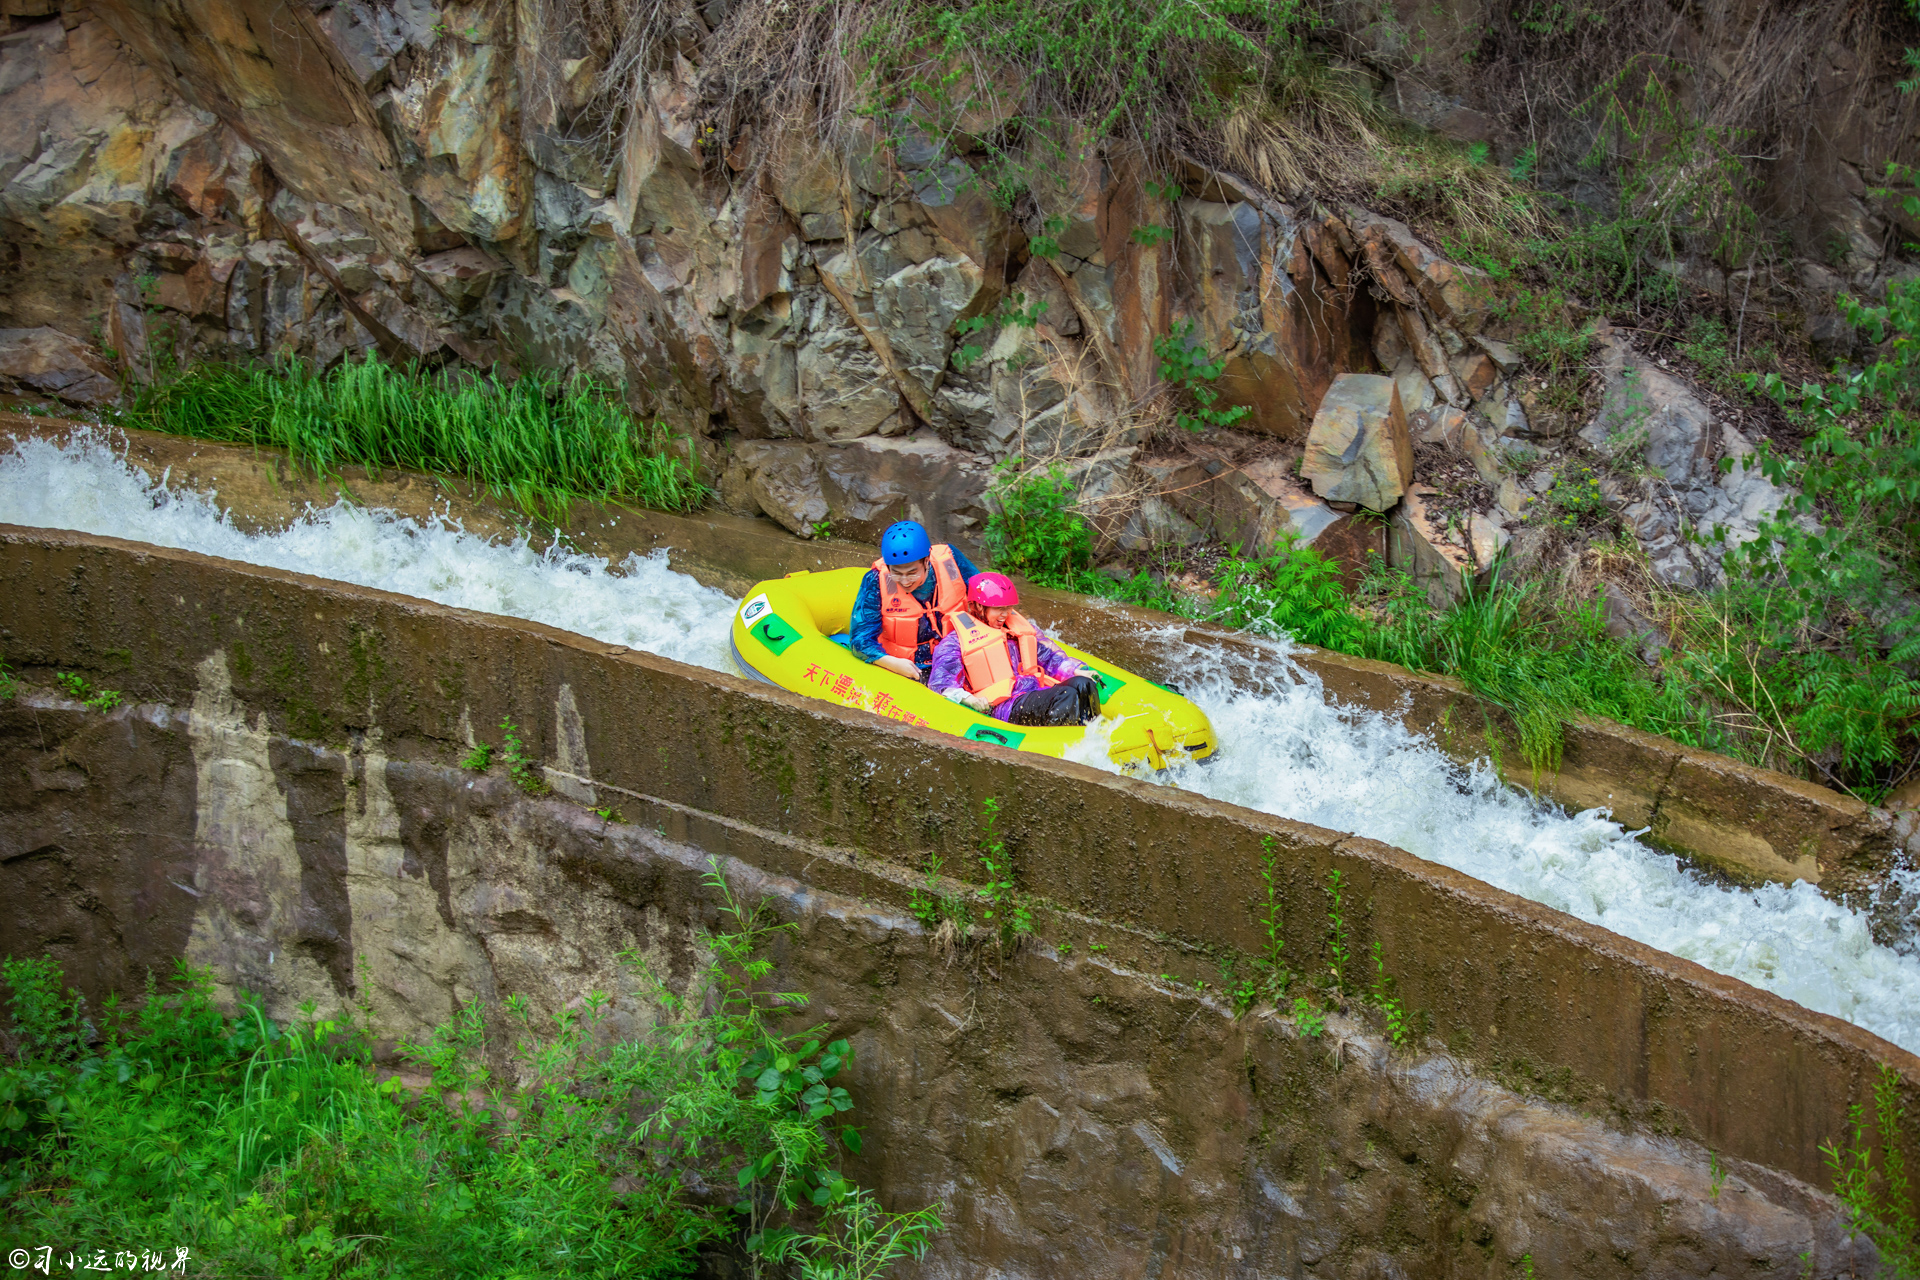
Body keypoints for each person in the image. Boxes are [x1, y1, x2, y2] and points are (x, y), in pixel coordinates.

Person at [927, 573, 1102, 727]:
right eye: (999, 609)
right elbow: (941, 683)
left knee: (1083, 684)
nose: (1005, 614)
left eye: (1008, 608)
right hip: (1003, 705)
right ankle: (1061, 747)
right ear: (979, 607)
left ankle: (1094, 735)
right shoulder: (954, 642)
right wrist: (970, 699)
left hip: (1032, 691)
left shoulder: (1014, 629)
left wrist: (1075, 671)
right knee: (1067, 695)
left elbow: (1048, 657)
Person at [849, 520, 980, 682]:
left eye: (912, 573)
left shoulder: (949, 561)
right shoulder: (876, 580)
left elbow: (983, 595)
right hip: (912, 665)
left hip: (956, 652)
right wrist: (892, 663)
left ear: (926, 561)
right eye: (896, 573)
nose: (905, 581)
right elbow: (860, 639)